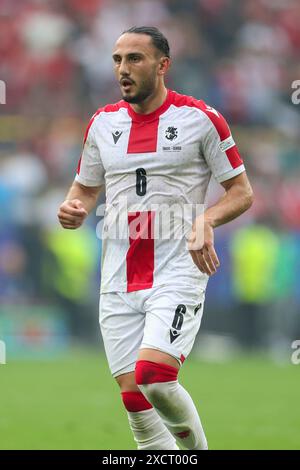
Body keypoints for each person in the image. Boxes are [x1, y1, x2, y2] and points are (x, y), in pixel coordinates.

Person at [58, 26, 253, 450]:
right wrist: (75, 206)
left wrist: (207, 221)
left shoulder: (201, 119)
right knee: (134, 399)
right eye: (117, 60)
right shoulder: (102, 123)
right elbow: (86, 188)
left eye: (135, 59)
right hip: (118, 274)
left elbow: (241, 192)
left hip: (177, 266)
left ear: (163, 65)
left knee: (155, 377)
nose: (123, 69)